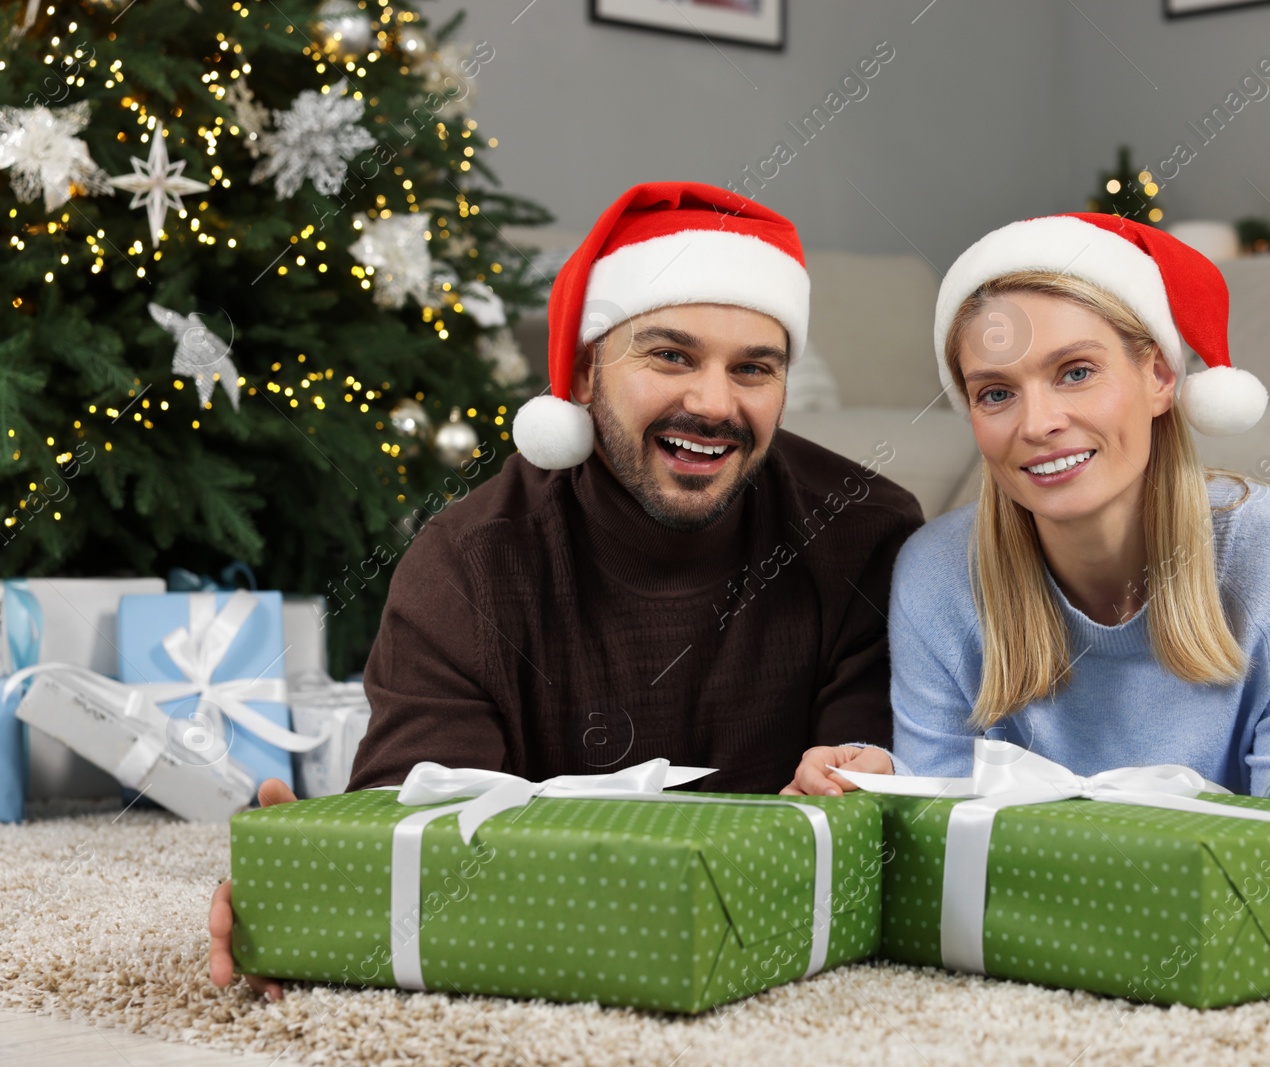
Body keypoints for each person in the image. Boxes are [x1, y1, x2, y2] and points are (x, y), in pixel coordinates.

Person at [210, 181, 923, 998]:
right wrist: (320, 885)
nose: (713, 403)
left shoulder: (864, 534)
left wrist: (847, 786)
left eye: (753, 369)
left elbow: (873, 824)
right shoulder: (468, 564)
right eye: (670, 355)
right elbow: (415, 830)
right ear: (584, 369)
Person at [783, 212, 1270, 880]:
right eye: (996, 392)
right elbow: (937, 826)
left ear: (1161, 376)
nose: (1039, 423)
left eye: (1075, 372)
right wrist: (880, 776)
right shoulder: (935, 571)